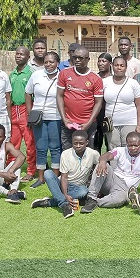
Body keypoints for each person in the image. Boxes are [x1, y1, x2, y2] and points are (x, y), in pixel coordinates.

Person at [31, 130, 100, 219]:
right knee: (48, 173)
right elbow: (64, 177)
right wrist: (65, 194)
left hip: (78, 188)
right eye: (75, 143)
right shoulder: (66, 154)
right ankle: (64, 205)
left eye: (81, 143)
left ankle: (51, 201)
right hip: (64, 184)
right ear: (72, 142)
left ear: (87, 142)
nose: (78, 146)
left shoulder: (93, 154)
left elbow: (100, 165)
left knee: (84, 191)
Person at [81, 132, 140, 212]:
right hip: (114, 180)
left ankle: (95, 202)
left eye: (136, 145)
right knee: (102, 164)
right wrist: (103, 161)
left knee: (120, 199)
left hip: (127, 189)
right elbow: (106, 155)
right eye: (130, 145)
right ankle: (91, 198)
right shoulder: (120, 150)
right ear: (126, 144)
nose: (133, 148)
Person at [25, 51, 62, 188]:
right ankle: (41, 178)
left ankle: (55, 178)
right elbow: (28, 93)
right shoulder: (36, 75)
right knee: (40, 148)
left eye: (51, 62)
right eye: (46, 62)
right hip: (38, 118)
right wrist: (30, 114)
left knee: (55, 148)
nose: (48, 64)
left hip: (56, 117)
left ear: (57, 63)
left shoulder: (62, 76)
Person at [56, 46, 103, 150]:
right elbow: (59, 96)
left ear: (88, 59)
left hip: (88, 123)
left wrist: (88, 123)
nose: (77, 60)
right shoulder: (64, 73)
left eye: (80, 58)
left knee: (88, 152)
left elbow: (98, 103)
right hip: (68, 123)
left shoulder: (95, 78)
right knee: (67, 152)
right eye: (75, 57)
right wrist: (64, 119)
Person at [103, 56, 140, 149]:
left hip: (130, 122)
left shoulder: (133, 83)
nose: (119, 67)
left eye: (122, 65)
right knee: (114, 150)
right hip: (111, 124)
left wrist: (139, 125)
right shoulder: (105, 82)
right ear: (112, 66)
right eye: (116, 65)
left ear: (126, 67)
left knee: (129, 149)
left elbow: (139, 105)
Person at [9, 46, 36, 182]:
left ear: (28, 57)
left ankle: (31, 171)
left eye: (22, 54)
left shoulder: (31, 73)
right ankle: (12, 168)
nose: (19, 56)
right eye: (17, 54)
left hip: (26, 109)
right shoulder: (12, 74)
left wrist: (31, 113)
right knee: (13, 143)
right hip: (14, 110)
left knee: (30, 142)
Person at [94, 52, 113, 152]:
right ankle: (96, 166)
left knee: (109, 144)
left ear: (110, 63)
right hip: (96, 115)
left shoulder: (114, 79)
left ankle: (109, 166)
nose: (100, 63)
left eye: (104, 61)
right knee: (96, 143)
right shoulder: (94, 78)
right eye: (99, 61)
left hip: (109, 115)